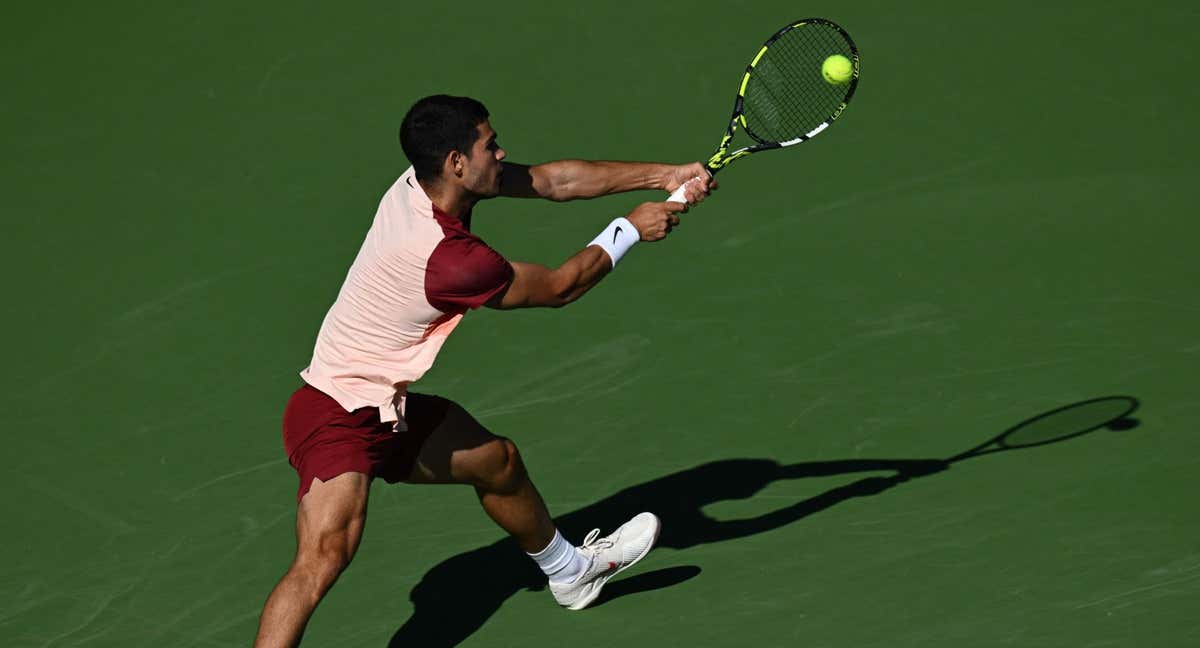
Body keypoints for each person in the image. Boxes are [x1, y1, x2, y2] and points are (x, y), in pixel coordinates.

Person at [253, 94, 715, 647]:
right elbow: (560, 288)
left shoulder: (420, 184)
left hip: (385, 406)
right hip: (336, 414)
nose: (502, 152)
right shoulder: (451, 260)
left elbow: (555, 181)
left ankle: (570, 573)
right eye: (490, 144)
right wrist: (631, 229)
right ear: (455, 162)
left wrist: (665, 175)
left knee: (498, 463)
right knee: (323, 558)